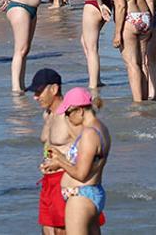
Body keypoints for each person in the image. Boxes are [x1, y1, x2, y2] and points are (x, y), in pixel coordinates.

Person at [40, 87, 110, 235]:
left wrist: (60, 162)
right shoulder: (101, 128)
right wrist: (62, 157)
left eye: (68, 113)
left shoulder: (89, 134)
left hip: (80, 198)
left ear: (80, 111)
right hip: (91, 193)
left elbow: (81, 174)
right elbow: (88, 164)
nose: (67, 118)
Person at [105, 0, 149, 101]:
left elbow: (121, 6)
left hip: (130, 19)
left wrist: (117, 33)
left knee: (132, 64)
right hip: (145, 16)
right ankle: (145, 99)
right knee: (143, 63)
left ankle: (138, 104)